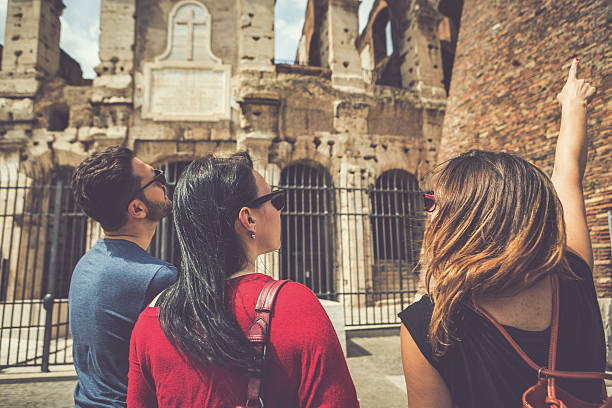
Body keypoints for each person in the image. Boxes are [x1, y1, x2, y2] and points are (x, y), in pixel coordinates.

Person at [399, 58, 604, 407]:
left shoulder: (429, 324)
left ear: (469, 220)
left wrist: (572, 106)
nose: (427, 209)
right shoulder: (572, 273)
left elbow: (568, 175)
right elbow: (568, 174)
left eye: (433, 200)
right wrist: (574, 105)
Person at [127, 152, 359, 407]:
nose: (280, 210)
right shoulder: (294, 305)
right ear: (248, 218)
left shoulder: (151, 319)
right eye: (276, 200)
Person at [69, 146, 177, 408]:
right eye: (156, 178)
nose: (165, 182)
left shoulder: (85, 263)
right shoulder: (158, 278)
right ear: (137, 209)